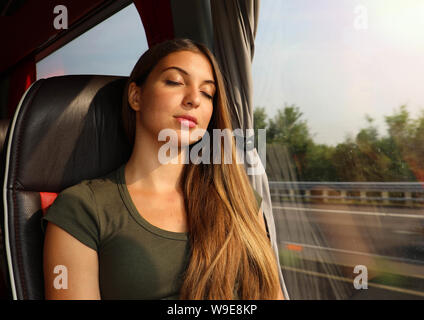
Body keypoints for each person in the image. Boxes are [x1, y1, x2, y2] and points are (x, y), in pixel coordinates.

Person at [42, 38, 284, 300]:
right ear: (136, 96)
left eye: (207, 93)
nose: (194, 99)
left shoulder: (239, 199)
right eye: (175, 82)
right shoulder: (82, 209)